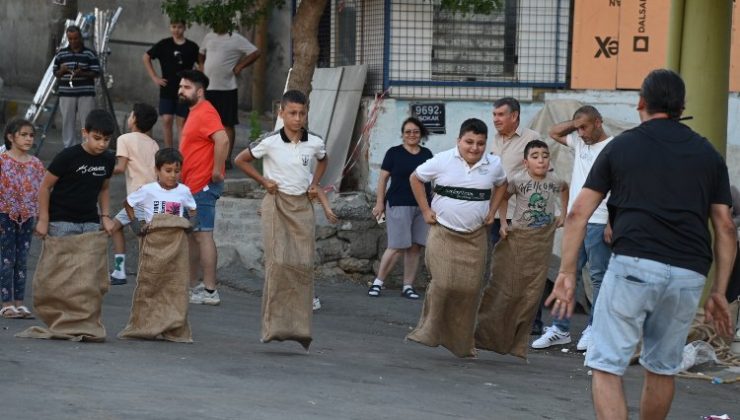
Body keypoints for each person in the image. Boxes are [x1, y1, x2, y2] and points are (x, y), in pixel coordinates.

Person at [547, 69, 736, 420]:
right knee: (662, 368)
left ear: (641, 103)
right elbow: (725, 226)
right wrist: (719, 291)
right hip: (687, 273)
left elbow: (577, 213)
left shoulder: (623, 145)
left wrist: (567, 272)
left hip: (633, 264)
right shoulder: (707, 153)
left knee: (605, 364)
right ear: (681, 107)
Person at [405, 118, 507, 358]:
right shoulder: (442, 160)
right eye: (469, 142)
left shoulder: (494, 164)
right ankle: (429, 331)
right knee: (444, 283)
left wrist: (492, 211)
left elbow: (503, 185)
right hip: (443, 232)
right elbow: (415, 178)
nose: (474, 148)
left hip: (475, 237)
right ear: (458, 141)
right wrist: (425, 210)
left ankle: (462, 342)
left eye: (480, 143)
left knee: (470, 290)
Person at [234, 89, 327, 350]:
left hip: (302, 205)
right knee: (278, 262)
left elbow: (323, 160)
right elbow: (240, 160)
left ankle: (299, 329)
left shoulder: (315, 142)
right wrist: (264, 181)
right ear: (281, 113)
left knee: (303, 262)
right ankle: (272, 327)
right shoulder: (270, 141)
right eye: (292, 113)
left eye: (302, 113)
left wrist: (315, 184)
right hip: (276, 203)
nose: (297, 119)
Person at [474, 140, 568, 358]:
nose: (541, 160)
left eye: (545, 155)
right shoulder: (518, 180)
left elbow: (565, 189)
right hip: (519, 239)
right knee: (508, 285)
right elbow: (503, 197)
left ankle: (519, 336)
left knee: (532, 290)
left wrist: (563, 214)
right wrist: (504, 223)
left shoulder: (554, 181)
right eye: (535, 156)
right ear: (526, 162)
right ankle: (487, 333)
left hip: (541, 243)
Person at [531, 105, 614, 350]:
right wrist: (577, 123)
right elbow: (554, 131)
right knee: (568, 273)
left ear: (599, 122)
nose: (581, 133)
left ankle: (594, 329)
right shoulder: (579, 142)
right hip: (576, 221)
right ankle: (560, 328)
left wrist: (612, 221)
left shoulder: (613, 147)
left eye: (585, 127)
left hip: (600, 220)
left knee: (598, 277)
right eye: (577, 129)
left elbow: (620, 186)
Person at [177, 70, 229, 306]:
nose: (181, 90)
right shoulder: (195, 112)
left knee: (203, 235)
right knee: (193, 237)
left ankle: (209, 291)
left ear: (200, 91)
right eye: (180, 86)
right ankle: (192, 286)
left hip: (202, 186)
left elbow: (223, 139)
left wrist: (217, 170)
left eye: (187, 87)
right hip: (190, 187)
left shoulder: (206, 111)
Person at [368, 117, 433, 300]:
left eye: (415, 132)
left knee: (415, 247)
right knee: (396, 246)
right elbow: (382, 180)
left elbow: (432, 180)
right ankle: (377, 283)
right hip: (398, 203)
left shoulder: (427, 154)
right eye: (408, 132)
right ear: (403, 135)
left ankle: (408, 286)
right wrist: (380, 203)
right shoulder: (393, 153)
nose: (412, 135)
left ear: (421, 134)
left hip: (422, 206)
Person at [35, 109, 116, 238]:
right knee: (61, 258)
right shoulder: (67, 156)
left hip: (90, 221)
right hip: (61, 221)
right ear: (85, 133)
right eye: (97, 138)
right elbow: (45, 187)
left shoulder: (109, 159)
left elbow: (104, 188)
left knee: (88, 258)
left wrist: (105, 217)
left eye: (106, 139)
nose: (102, 144)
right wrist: (43, 219)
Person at [109, 103, 160, 285]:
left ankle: (135, 274)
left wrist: (102, 169)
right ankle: (121, 271)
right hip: (152, 195)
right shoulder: (153, 144)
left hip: (137, 198)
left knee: (138, 235)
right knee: (121, 228)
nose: (129, 117)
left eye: (131, 115)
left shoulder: (124, 139)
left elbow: (121, 167)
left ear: (135, 119)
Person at [0, 119, 46, 319]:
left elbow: (43, 191)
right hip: (4, 215)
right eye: (24, 134)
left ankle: (19, 303)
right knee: (6, 259)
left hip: (27, 217)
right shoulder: (2, 160)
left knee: (22, 259)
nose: (28, 139)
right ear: (11, 137)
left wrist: (42, 216)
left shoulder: (36, 164)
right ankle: (6, 302)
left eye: (31, 135)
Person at [199, 23, 260, 168]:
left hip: (227, 89)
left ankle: (226, 158)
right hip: (208, 87)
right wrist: (201, 65)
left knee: (227, 124)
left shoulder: (236, 39)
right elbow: (201, 53)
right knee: (207, 124)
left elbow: (255, 52)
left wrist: (240, 66)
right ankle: (209, 156)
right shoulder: (209, 36)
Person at [490, 97, 541, 245]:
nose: (495, 119)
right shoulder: (496, 139)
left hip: (520, 214)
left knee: (520, 260)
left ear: (514, 116)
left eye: (500, 114)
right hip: (497, 212)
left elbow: (540, 173)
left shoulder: (532, 138)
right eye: (494, 114)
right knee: (499, 259)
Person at [143, 20, 199, 148]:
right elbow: (146, 57)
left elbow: (201, 65)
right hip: (167, 88)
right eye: (174, 27)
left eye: (179, 27)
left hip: (184, 90)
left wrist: (195, 82)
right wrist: (154, 77)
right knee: (167, 120)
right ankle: (169, 152)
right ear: (170, 27)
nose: (176, 30)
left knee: (182, 122)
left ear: (185, 27)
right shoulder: (164, 44)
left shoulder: (192, 47)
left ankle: (182, 152)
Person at [123, 148, 197, 233]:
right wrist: (137, 225)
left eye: (177, 171)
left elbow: (193, 209)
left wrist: (190, 225)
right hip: (153, 239)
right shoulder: (148, 190)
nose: (173, 175)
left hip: (176, 239)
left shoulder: (184, 190)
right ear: (157, 170)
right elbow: (128, 203)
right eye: (168, 171)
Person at [53, 25, 100, 148]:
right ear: (68, 39)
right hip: (66, 94)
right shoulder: (61, 54)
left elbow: (96, 72)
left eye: (76, 38)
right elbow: (55, 73)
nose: (73, 41)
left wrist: (82, 73)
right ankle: (68, 148)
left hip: (86, 94)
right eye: (70, 39)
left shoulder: (89, 54)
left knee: (87, 122)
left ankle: (87, 147)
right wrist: (62, 71)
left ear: (80, 38)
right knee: (67, 122)